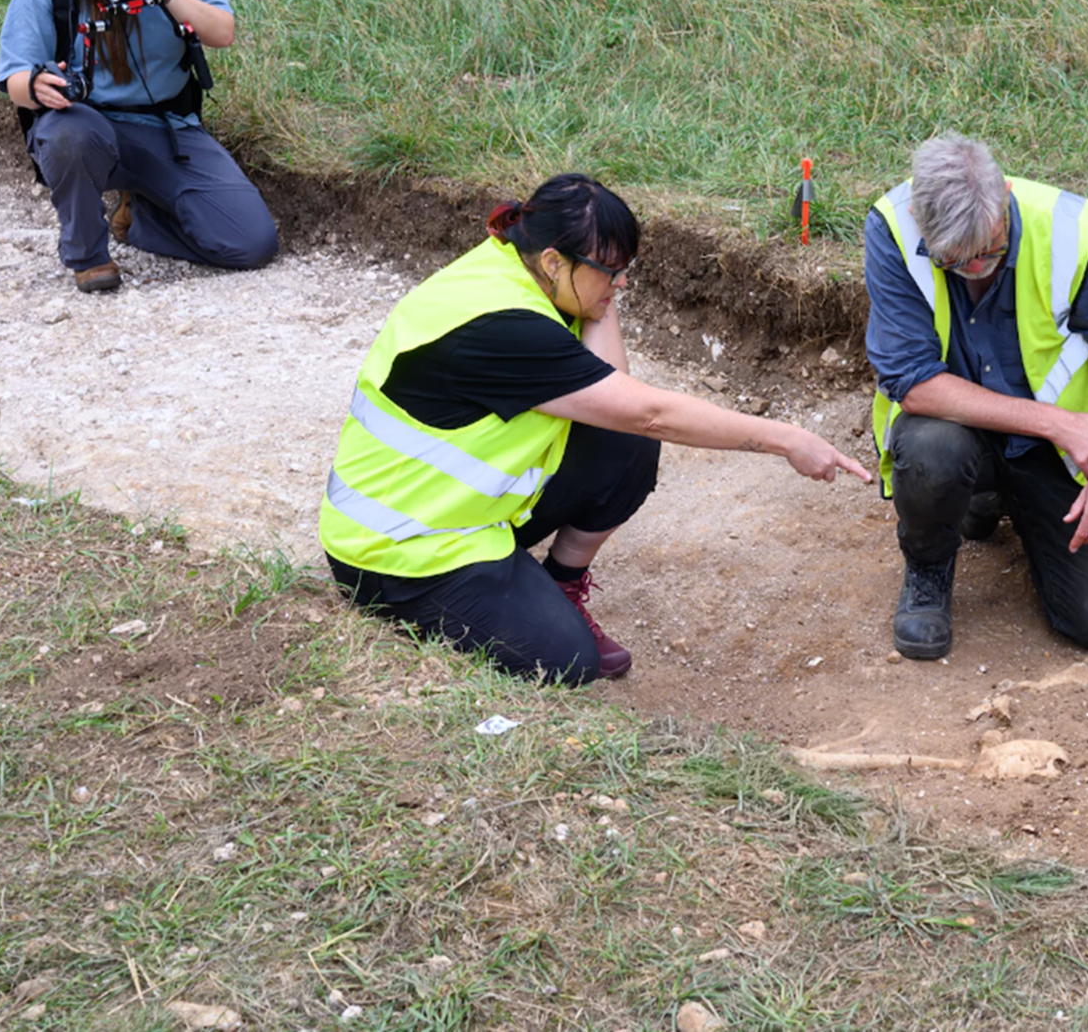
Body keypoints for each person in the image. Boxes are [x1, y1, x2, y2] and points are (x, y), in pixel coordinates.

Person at [319, 173, 870, 684]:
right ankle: (443, 605)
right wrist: (785, 438)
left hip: (464, 514)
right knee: (567, 661)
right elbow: (646, 410)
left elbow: (615, 402)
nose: (622, 283)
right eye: (610, 271)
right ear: (555, 261)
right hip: (401, 551)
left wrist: (597, 293)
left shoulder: (521, 270)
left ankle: (557, 584)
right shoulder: (505, 326)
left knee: (624, 444)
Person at [864, 133, 1088, 661]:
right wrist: (1055, 421)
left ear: (1004, 197)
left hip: (1053, 456)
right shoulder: (893, 229)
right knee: (932, 455)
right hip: (956, 432)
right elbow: (913, 382)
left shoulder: (1079, 235)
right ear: (920, 219)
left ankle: (1002, 499)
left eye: (991, 252)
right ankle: (930, 565)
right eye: (956, 260)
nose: (977, 269)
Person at [0, 0, 277, 294]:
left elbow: (221, 31)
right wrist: (39, 84)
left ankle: (142, 219)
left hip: (169, 129)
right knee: (68, 134)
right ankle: (89, 256)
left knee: (251, 243)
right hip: (89, 127)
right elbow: (15, 78)